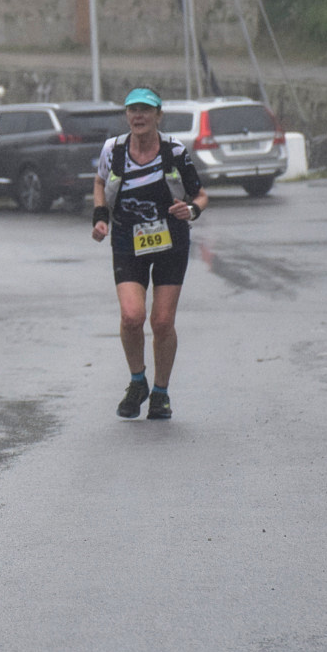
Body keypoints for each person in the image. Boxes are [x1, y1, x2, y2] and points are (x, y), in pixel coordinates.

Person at [92, 87, 208, 420]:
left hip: (171, 241)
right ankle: (137, 381)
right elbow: (100, 183)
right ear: (127, 115)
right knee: (132, 317)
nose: (138, 116)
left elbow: (200, 195)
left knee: (162, 322)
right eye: (133, 110)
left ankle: (160, 393)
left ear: (158, 115)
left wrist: (191, 210)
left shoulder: (174, 151)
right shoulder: (113, 150)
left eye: (145, 110)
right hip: (127, 240)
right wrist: (100, 217)